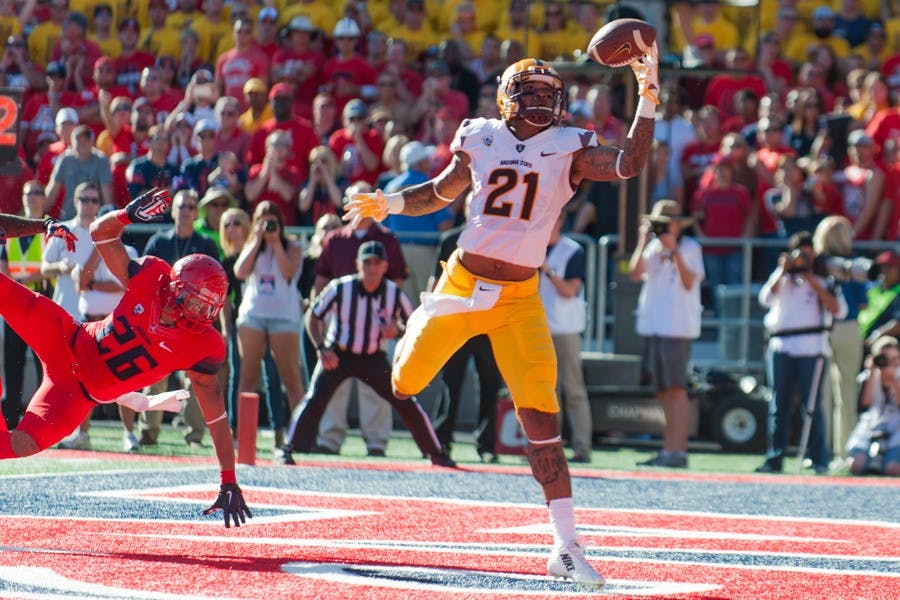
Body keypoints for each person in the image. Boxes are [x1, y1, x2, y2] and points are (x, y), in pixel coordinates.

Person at [343, 48, 661, 587]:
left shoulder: (571, 146)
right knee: (405, 382)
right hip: (461, 286)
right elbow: (442, 192)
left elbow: (629, 163)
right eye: (531, 93)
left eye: (549, 95)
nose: (542, 102)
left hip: (519, 299)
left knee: (542, 419)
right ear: (506, 98)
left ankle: (565, 545)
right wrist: (388, 203)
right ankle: (424, 316)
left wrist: (648, 95)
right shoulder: (480, 136)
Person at [0, 190, 251, 527]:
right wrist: (127, 214)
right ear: (175, 288)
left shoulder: (203, 345)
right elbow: (101, 234)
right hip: (67, 339)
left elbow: (217, 418)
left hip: (76, 396)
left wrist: (228, 477)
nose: (198, 314)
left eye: (206, 308)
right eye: (194, 302)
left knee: (20, 444)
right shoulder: (151, 277)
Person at [281, 241, 449, 466]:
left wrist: (397, 331)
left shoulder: (393, 293)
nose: (371, 268)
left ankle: (435, 452)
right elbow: (313, 315)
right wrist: (322, 348)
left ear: (385, 266)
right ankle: (288, 448)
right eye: (367, 263)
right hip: (339, 355)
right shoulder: (340, 287)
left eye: (376, 263)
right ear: (357, 265)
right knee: (314, 398)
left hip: (372, 357)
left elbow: (415, 324)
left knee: (405, 398)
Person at [756, 232, 847, 475]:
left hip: (812, 348)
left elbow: (838, 310)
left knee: (812, 406)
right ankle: (774, 459)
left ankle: (819, 459)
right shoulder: (783, 279)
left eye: (807, 254)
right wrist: (783, 270)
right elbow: (765, 298)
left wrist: (810, 278)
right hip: (781, 347)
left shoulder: (825, 279)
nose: (802, 258)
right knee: (779, 404)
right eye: (799, 254)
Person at [136, 190, 219, 448]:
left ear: (196, 213)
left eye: (191, 207)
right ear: (173, 211)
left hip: (194, 324)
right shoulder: (158, 242)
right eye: (181, 206)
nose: (185, 211)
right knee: (153, 376)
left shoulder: (206, 245)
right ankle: (149, 430)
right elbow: (143, 280)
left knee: (196, 379)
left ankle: (194, 434)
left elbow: (216, 287)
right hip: (160, 320)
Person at [629, 200, 705, 468]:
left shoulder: (691, 247)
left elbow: (689, 281)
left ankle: (679, 451)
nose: (662, 229)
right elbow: (635, 274)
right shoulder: (652, 247)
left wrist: (675, 252)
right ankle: (668, 448)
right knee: (662, 390)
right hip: (655, 325)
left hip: (677, 326)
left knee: (676, 389)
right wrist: (642, 240)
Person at [234, 201, 305, 460]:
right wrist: (257, 240)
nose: (267, 224)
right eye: (262, 219)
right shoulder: (253, 245)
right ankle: (244, 440)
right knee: (248, 378)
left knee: (291, 380)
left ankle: (296, 438)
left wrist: (275, 242)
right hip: (253, 315)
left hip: (284, 317)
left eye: (271, 219)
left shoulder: (293, 246)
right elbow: (240, 271)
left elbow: (288, 272)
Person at [541, 213, 593, 464]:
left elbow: (570, 291)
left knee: (573, 389)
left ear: (559, 221)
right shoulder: (532, 247)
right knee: (545, 392)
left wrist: (547, 271)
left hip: (565, 328)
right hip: (538, 329)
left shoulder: (572, 251)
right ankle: (548, 446)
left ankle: (582, 447)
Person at [1, 182, 53, 430]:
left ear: (44, 198)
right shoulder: (12, 231)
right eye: (27, 193)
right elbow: (3, 265)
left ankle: (42, 415)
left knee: (45, 363)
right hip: (14, 308)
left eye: (36, 193)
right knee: (12, 361)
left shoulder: (48, 229)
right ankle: (11, 415)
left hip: (38, 305)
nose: (32, 198)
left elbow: (49, 266)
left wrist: (22, 282)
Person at [846, 335, 900, 476]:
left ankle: (884, 461)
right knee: (856, 466)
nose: (890, 363)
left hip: (896, 430)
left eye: (894, 359)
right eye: (884, 359)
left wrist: (894, 381)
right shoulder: (867, 377)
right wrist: (872, 372)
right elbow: (864, 405)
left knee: (892, 469)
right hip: (871, 428)